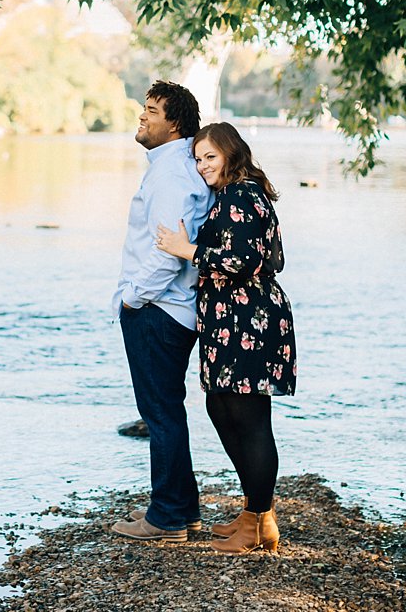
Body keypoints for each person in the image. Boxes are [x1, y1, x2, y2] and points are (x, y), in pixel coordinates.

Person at [155, 122, 296, 554]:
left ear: (232, 154)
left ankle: (259, 525)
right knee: (221, 406)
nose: (201, 166)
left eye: (209, 157)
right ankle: (256, 514)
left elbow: (247, 260)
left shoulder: (242, 194)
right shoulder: (234, 195)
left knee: (250, 420)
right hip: (229, 319)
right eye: (197, 159)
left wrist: (187, 250)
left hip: (248, 319)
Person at [109, 81, 211, 543]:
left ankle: (167, 518)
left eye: (151, 110)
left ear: (174, 123)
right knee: (168, 409)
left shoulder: (171, 174)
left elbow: (169, 251)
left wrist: (133, 298)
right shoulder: (179, 168)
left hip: (159, 309)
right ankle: (181, 509)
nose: (142, 116)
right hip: (172, 309)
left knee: (160, 413)